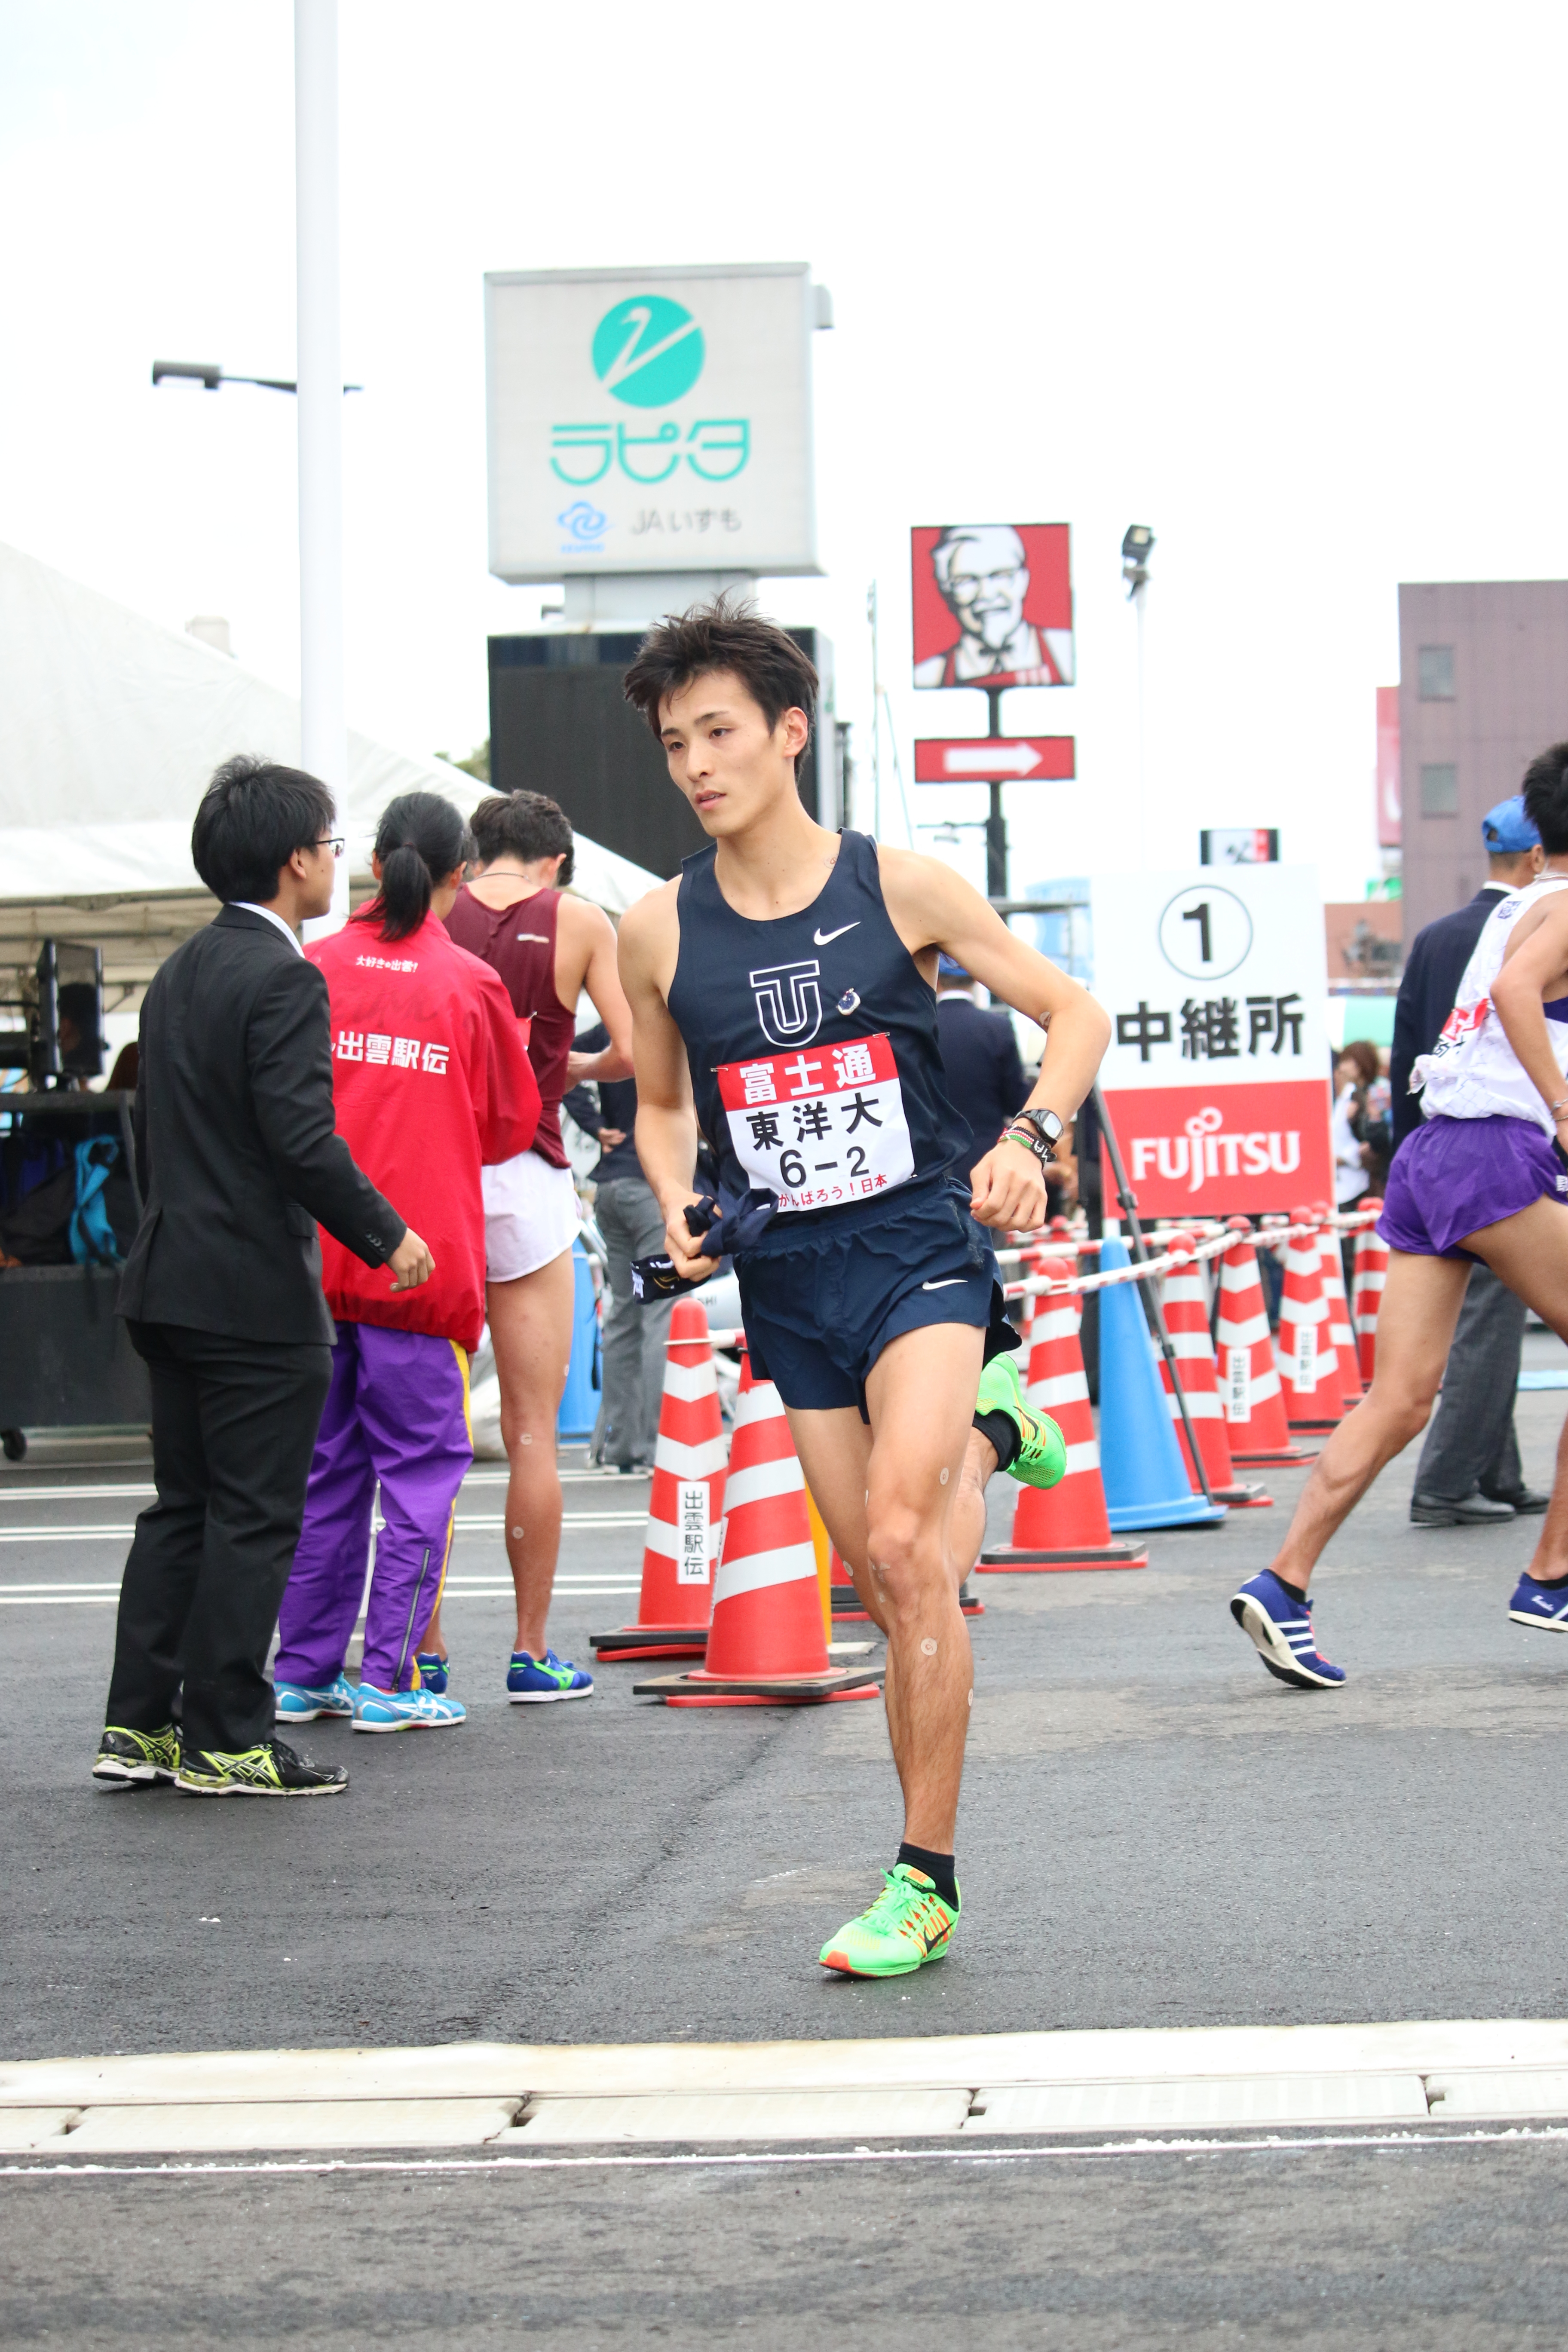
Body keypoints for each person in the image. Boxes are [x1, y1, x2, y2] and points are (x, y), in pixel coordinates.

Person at [619, 596, 1109, 1976]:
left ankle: (922, 1877)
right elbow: (660, 1109)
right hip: (788, 1279)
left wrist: (1030, 1137)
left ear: (787, 735)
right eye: (673, 744)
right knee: (890, 1588)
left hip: (918, 1252)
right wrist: (676, 1203)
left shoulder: (903, 887)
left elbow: (1075, 1015)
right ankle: (993, 1430)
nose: (696, 764)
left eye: (717, 732)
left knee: (902, 1546)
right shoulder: (654, 930)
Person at [94, 756, 432, 1799]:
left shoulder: (181, 973)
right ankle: (231, 1733)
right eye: (332, 843)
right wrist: (389, 1234)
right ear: (296, 859)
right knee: (252, 1512)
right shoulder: (286, 975)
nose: (338, 860)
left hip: (166, 1274)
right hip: (250, 1289)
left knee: (181, 1508)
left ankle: (140, 1724)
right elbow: (300, 1138)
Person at [1229, 752, 1568, 1691]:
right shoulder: (1565, 908)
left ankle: (1284, 1582)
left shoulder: (1511, 904)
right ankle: (1551, 1575)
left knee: (1400, 1397)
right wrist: (1564, 1104)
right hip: (1496, 1153)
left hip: (1431, 1159)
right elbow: (1516, 995)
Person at [271, 793, 540, 1730]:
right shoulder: (469, 984)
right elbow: (509, 1126)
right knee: (421, 1478)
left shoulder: (313, 969)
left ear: (372, 864)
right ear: (459, 876)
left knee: (325, 1476)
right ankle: (387, 1678)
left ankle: (303, 1671)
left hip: (315, 1266)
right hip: (420, 1272)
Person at [443, 790, 634, 1703]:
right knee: (531, 1435)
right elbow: (631, 1051)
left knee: (418, 1437)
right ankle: (528, 1652)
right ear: (556, 860)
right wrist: (567, 1066)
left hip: (432, 1180)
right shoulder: (580, 920)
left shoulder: (436, 908)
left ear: (478, 852)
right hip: (528, 1169)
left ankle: (419, 1652)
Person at [1390, 796, 1549, 1530]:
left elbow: (1404, 1053)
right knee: (1491, 1320)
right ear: (1534, 856)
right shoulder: (1535, 922)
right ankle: (1450, 1478)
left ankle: (1497, 1472)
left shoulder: (1436, 935)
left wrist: (1403, 1159)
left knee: (1474, 1327)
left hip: (1431, 1151)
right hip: (1501, 1148)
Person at [563, 1022, 673, 1471]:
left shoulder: (612, 1027)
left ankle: (621, 1446)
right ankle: (657, 1445)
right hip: (653, 1189)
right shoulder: (670, 1019)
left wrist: (596, 1127)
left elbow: (560, 1061)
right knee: (660, 1314)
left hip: (611, 1189)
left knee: (625, 1317)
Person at [913, 524, 1073, 689]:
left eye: (1001, 576)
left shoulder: (1068, 653)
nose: (987, 594)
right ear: (947, 590)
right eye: (967, 580)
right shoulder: (926, 675)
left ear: (1024, 580)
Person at [934, 956, 1028, 1182]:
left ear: (936, 980)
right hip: (987, 1155)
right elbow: (1016, 1100)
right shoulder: (998, 1028)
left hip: (934, 1159)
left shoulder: (923, 1027)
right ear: (976, 979)